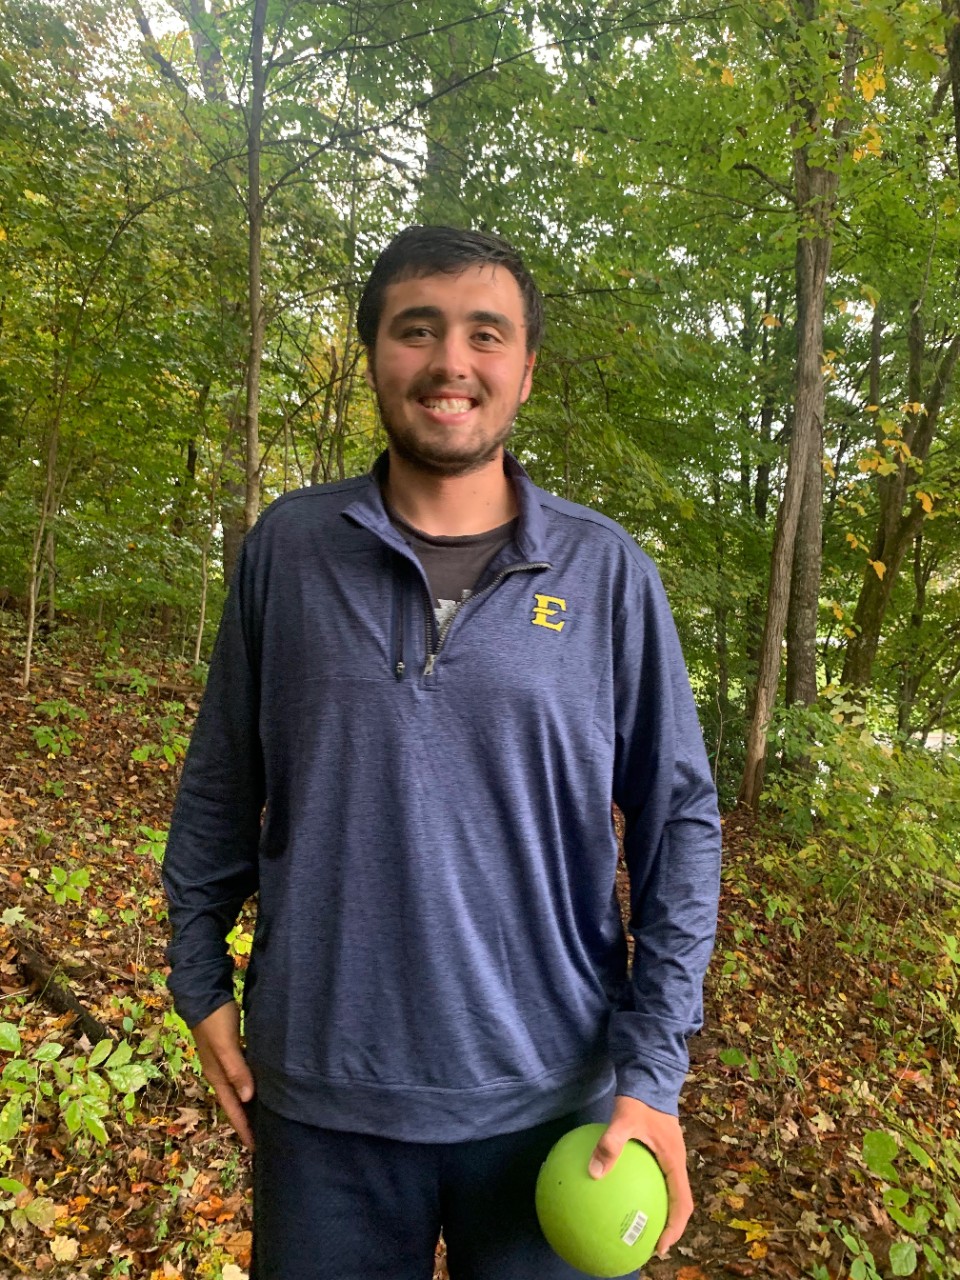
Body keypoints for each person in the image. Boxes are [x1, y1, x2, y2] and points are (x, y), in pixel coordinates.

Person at [162, 225, 722, 1280]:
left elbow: (680, 824)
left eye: (484, 332)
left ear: (525, 368)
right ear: (374, 351)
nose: (450, 361)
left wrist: (653, 1070)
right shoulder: (289, 549)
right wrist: (200, 983)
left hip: (553, 1111)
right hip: (323, 1105)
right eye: (416, 329)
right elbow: (219, 786)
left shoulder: (605, 574)